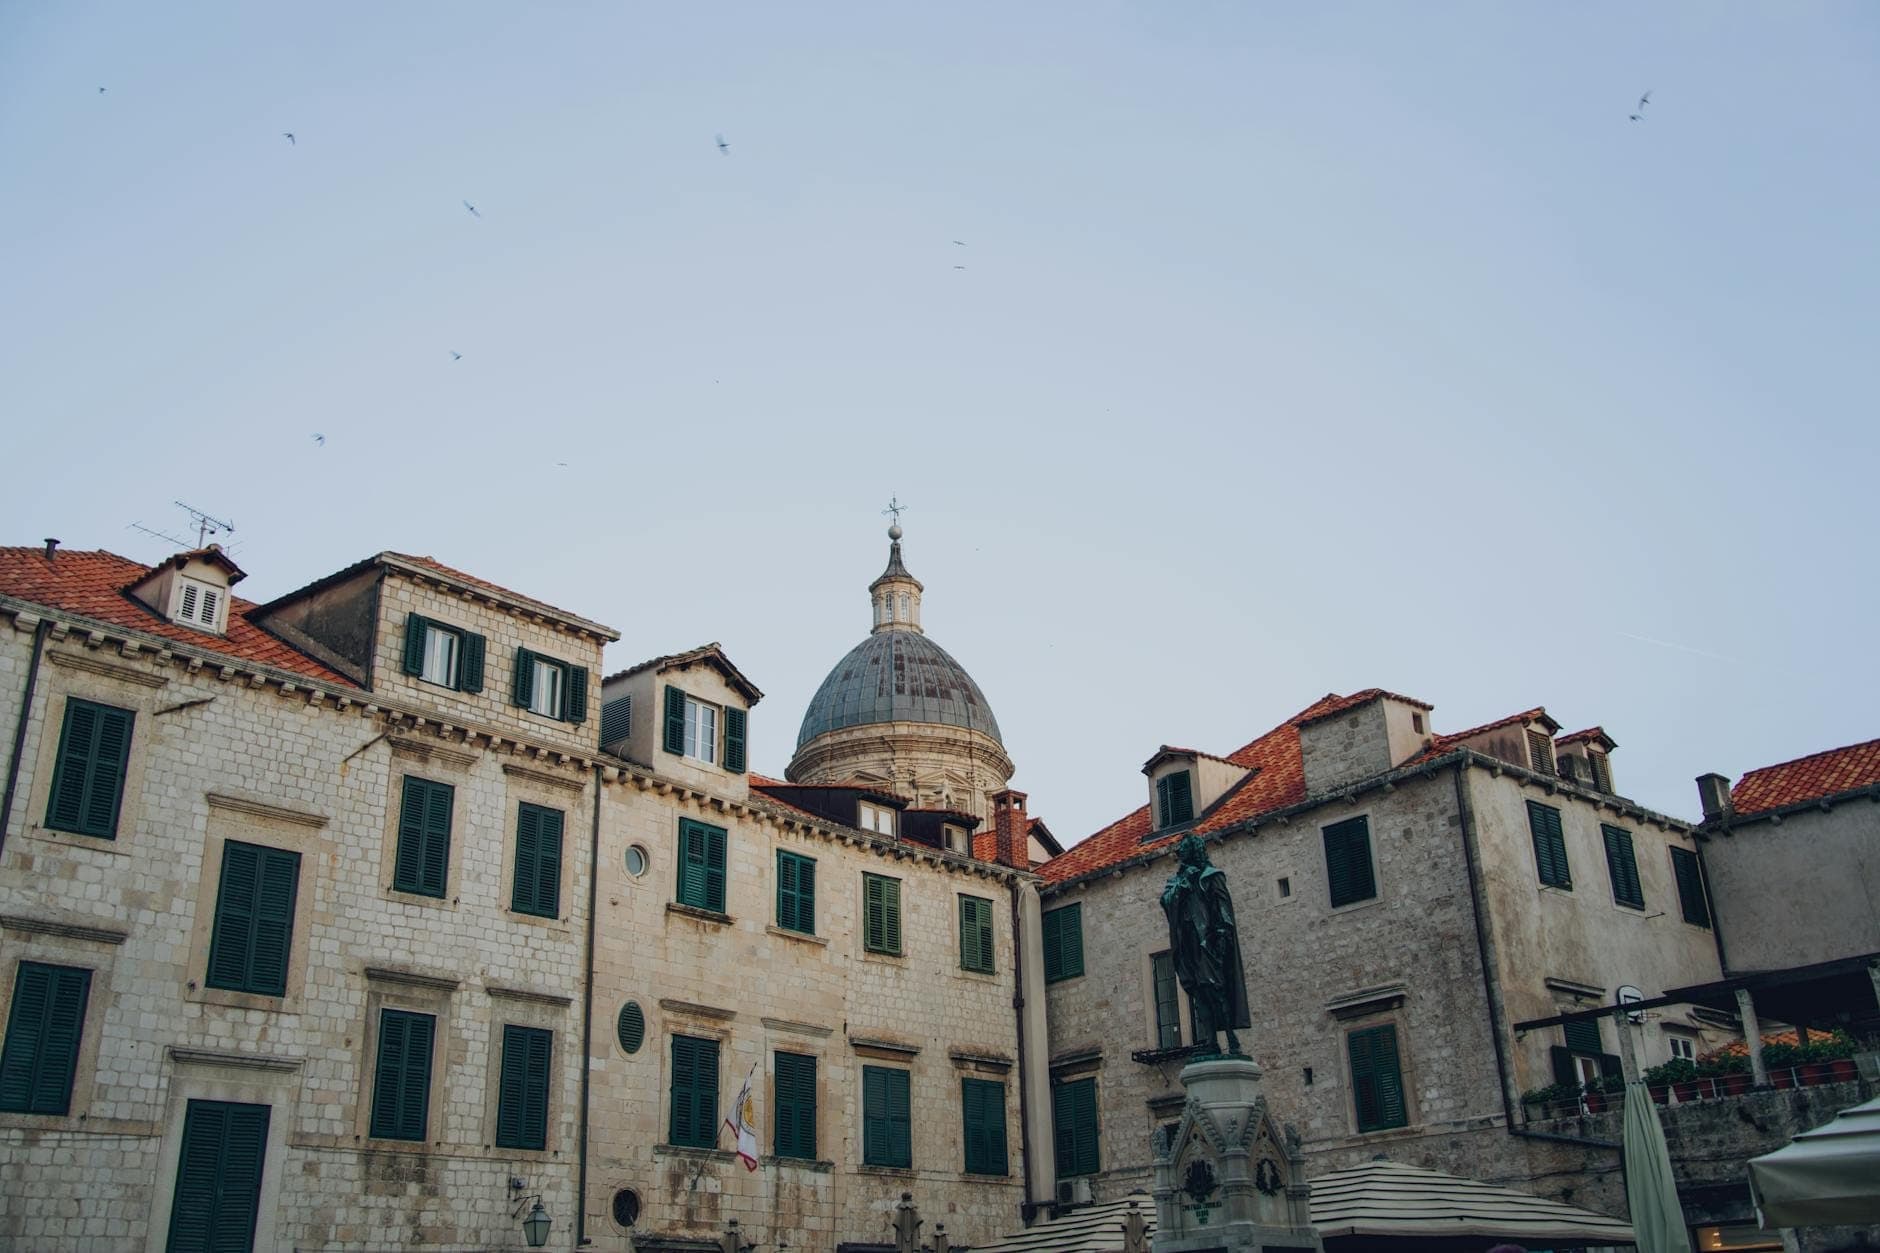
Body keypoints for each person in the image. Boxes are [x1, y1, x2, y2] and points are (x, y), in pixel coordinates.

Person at [1160, 834, 1252, 1054]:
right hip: (1187, 942)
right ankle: (1211, 1040)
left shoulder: (1211, 876)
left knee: (1214, 988)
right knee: (1198, 990)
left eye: (1183, 848)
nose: (1179, 853)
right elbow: (1166, 901)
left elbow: (1222, 908)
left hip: (1207, 941)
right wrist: (1183, 885)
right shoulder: (1177, 880)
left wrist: (1221, 935)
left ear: (1194, 850)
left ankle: (1232, 1039)